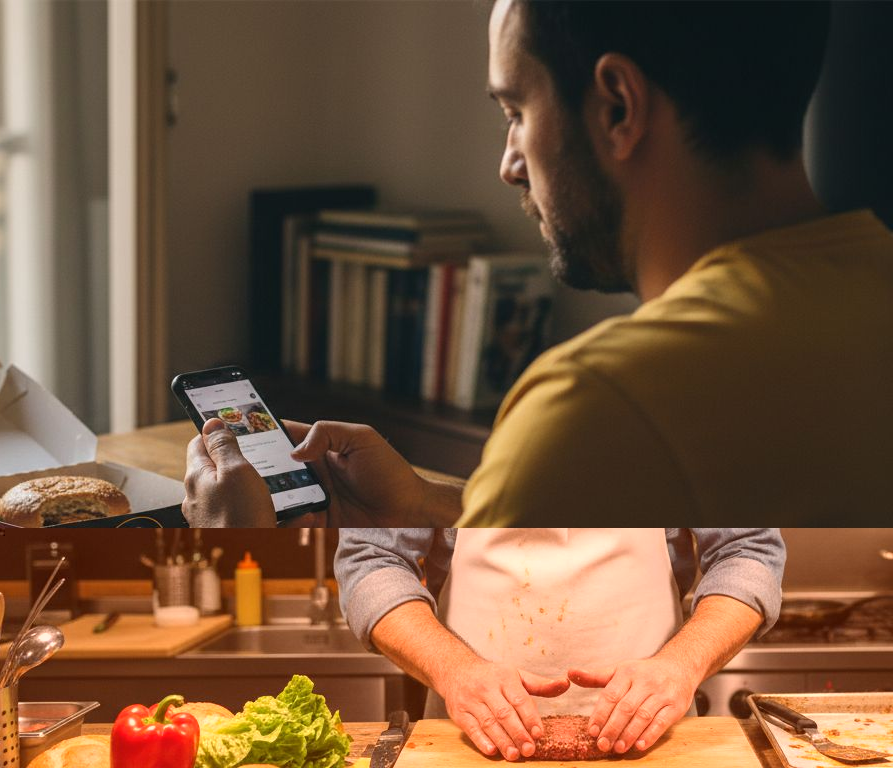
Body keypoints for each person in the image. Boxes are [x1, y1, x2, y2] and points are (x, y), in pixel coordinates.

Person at [181, 0, 893, 527]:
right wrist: (434, 506)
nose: (508, 165)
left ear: (617, 106)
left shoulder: (597, 406)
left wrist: (241, 552)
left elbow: (469, 704)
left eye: (516, 110)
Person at [334, 527, 784, 760]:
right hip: (473, 740)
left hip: (658, 737)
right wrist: (453, 670)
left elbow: (747, 551)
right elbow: (372, 559)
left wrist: (682, 665)